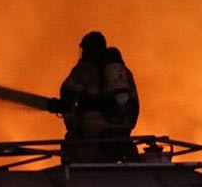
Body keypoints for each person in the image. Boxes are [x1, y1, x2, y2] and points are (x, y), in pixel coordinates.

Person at [52, 32, 139, 162]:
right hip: (119, 139)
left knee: (70, 152)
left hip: (91, 138)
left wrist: (60, 108)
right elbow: (135, 106)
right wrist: (125, 129)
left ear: (87, 49)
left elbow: (67, 93)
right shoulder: (124, 73)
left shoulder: (84, 69)